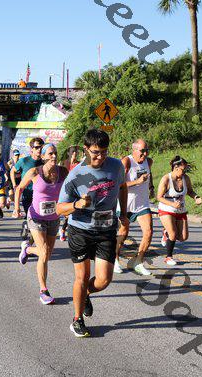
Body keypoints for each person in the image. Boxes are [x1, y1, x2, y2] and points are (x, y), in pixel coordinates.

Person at [56, 129, 128, 338]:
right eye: (96, 152)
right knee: (82, 276)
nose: (100, 157)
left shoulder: (116, 166)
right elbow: (59, 208)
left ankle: (85, 293)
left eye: (104, 152)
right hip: (81, 230)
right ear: (86, 149)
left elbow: (122, 187)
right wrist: (77, 204)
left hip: (106, 229)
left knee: (104, 280)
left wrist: (123, 213)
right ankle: (77, 319)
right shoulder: (76, 174)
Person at [14, 143, 68, 305]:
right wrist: (16, 208)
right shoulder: (34, 172)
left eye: (55, 153)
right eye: (50, 153)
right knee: (43, 252)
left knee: (47, 254)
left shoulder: (63, 172)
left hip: (54, 218)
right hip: (36, 217)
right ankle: (43, 290)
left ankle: (27, 249)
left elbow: (71, 188)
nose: (54, 156)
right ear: (43, 156)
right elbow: (19, 188)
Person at [114, 139, 154, 276]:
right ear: (134, 150)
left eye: (147, 150)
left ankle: (138, 262)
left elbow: (149, 174)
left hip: (142, 204)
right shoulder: (126, 161)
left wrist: (151, 186)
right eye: (142, 151)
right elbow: (119, 184)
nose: (145, 154)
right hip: (125, 204)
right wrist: (137, 181)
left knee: (148, 231)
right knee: (123, 234)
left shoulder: (149, 161)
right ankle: (115, 259)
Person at [156, 155, 202, 266]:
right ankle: (169, 257)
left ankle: (166, 232)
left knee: (183, 237)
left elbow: (190, 191)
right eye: (183, 169)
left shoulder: (186, 178)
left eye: (186, 169)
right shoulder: (166, 179)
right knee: (173, 234)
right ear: (176, 168)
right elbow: (159, 197)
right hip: (166, 209)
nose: (185, 172)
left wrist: (196, 197)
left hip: (181, 210)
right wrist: (172, 204)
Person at [11, 138, 44, 217]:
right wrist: (14, 185)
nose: (39, 149)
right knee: (31, 217)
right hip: (27, 195)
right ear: (31, 149)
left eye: (41, 147)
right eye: (36, 147)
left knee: (41, 218)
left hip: (41, 195)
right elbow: (12, 171)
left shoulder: (45, 162)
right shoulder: (24, 161)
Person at [59, 146, 81, 241]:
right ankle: (63, 229)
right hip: (65, 190)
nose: (74, 153)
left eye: (76, 152)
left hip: (76, 190)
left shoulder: (80, 164)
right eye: (72, 152)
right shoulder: (64, 163)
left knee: (72, 211)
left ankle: (63, 229)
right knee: (66, 212)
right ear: (68, 153)